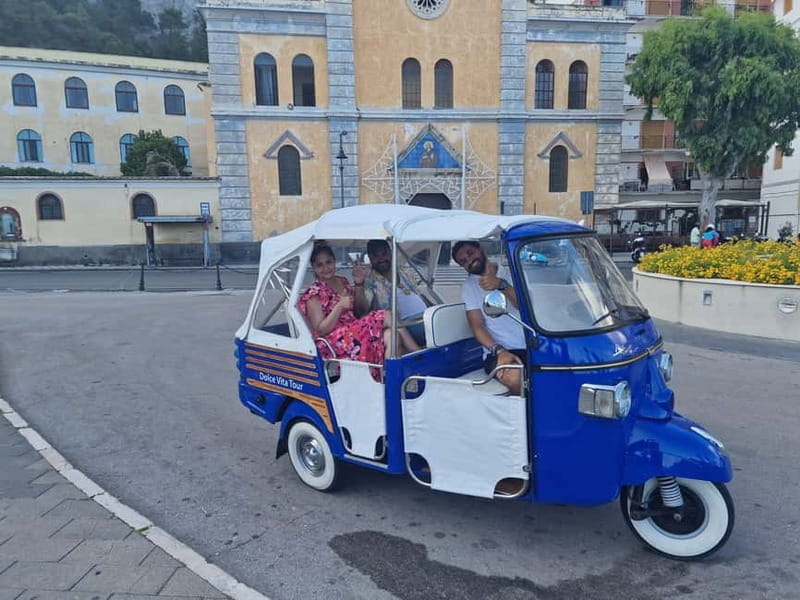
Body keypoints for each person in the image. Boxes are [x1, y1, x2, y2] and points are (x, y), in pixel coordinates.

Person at [298, 243, 419, 365]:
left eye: (328, 262)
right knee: (387, 315)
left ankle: (388, 379)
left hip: (355, 331)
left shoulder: (342, 281)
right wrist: (339, 307)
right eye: (320, 265)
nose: (326, 268)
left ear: (334, 261)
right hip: (334, 342)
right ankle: (419, 355)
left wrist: (358, 284)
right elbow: (321, 330)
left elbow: (358, 312)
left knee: (392, 336)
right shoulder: (313, 293)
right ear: (313, 267)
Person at [452, 241, 526, 396]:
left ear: (480, 248)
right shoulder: (469, 287)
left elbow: (525, 306)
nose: (469, 260)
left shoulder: (512, 272)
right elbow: (477, 326)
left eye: (470, 253)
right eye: (463, 261)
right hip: (498, 351)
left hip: (532, 346)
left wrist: (500, 284)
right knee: (515, 378)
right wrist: (499, 350)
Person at [353, 239, 429, 346]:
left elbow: (420, 295)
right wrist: (359, 284)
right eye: (376, 256)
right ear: (370, 258)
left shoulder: (405, 271)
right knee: (437, 329)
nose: (381, 259)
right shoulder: (370, 280)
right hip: (406, 325)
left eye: (384, 254)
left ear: (390, 253)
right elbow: (361, 312)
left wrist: (436, 309)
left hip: (426, 317)